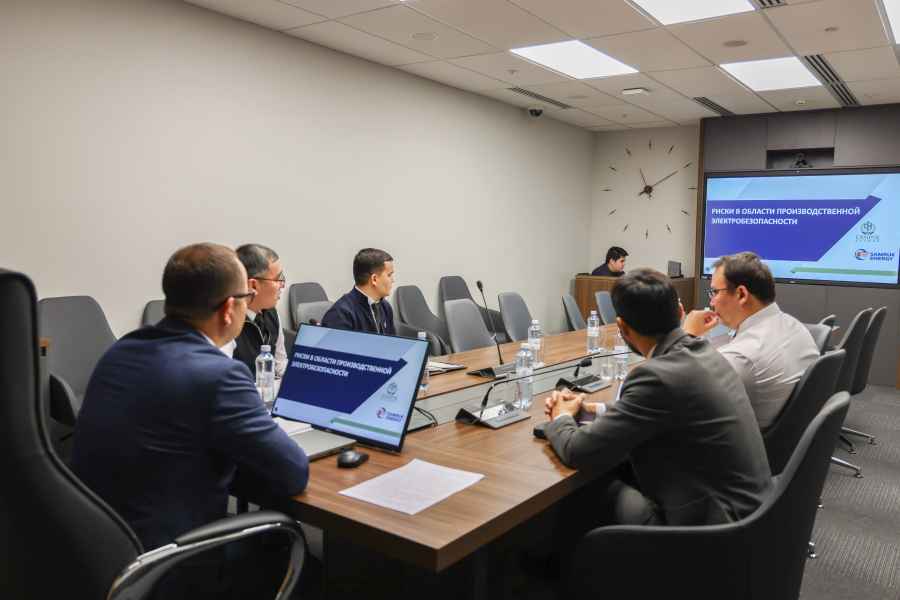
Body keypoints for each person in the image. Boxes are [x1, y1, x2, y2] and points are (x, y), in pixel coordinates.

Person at [72, 243, 309, 597]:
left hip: (99, 552)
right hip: (170, 565)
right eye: (246, 298)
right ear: (229, 309)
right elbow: (293, 472)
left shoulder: (120, 352)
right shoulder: (219, 374)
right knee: (304, 562)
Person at [543, 269, 771, 531]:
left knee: (589, 486)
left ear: (622, 327)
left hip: (712, 533)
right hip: (752, 518)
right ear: (680, 312)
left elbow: (577, 451)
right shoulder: (705, 352)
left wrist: (561, 416)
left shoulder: (655, 376)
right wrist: (591, 410)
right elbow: (661, 408)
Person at [682, 251, 819, 429]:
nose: (712, 302)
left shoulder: (742, 358)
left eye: (715, 292)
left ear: (741, 294)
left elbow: (674, 392)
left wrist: (688, 336)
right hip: (786, 435)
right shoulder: (794, 326)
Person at [225, 243, 288, 378]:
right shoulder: (226, 321)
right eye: (278, 279)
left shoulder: (271, 313)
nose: (282, 284)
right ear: (253, 285)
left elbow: (280, 364)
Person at [322, 248, 396, 335]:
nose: (393, 280)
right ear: (374, 279)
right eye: (389, 275)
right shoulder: (340, 314)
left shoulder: (385, 307)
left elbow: (392, 342)